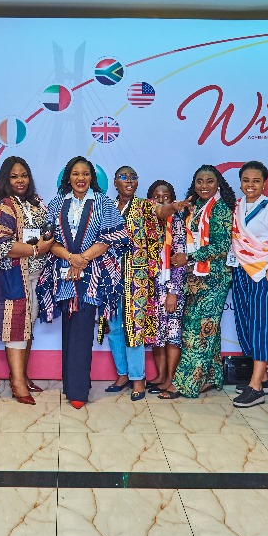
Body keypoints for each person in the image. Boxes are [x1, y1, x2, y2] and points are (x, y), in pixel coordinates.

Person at [36, 156, 129, 408]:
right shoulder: (57, 203)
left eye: (85, 174)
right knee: (69, 331)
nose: (80, 178)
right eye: (76, 173)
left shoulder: (103, 202)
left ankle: (78, 393)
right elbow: (48, 240)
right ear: (68, 177)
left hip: (91, 276)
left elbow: (114, 237)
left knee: (82, 330)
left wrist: (82, 259)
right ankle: (72, 384)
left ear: (92, 178)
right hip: (63, 274)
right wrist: (70, 258)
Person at [0, 156, 52, 404]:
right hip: (13, 277)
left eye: (23, 175)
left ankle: (22, 375)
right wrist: (36, 250)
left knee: (27, 327)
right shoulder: (2, 207)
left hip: (34, 277)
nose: (20, 180)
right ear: (6, 179)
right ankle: (17, 383)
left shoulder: (36, 204)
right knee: (16, 329)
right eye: (14, 176)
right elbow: (1, 247)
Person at [172, 165, 236, 398]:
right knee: (208, 330)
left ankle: (186, 384)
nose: (204, 185)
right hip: (194, 278)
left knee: (198, 332)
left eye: (210, 181)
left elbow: (222, 246)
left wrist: (188, 258)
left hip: (214, 279)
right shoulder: (195, 206)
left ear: (218, 184)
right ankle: (211, 378)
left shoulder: (221, 209)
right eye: (200, 181)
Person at [230, 161, 268, 408]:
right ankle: (263, 378)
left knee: (260, 327)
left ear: (264, 183)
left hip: (263, 274)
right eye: (246, 180)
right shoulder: (238, 206)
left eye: (256, 181)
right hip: (241, 272)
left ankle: (255, 387)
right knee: (245, 325)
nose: (250, 185)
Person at [101, 165, 160, 401]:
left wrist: (149, 274)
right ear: (115, 182)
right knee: (114, 328)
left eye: (133, 177)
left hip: (137, 279)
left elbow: (159, 221)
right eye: (123, 177)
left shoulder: (145, 207)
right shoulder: (107, 207)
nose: (129, 180)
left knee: (133, 329)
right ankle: (122, 374)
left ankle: (138, 379)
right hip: (110, 278)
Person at [146, 180, 186, 399]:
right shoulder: (147, 220)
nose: (161, 200)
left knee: (172, 335)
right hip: (152, 286)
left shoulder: (177, 221)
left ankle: (171, 378)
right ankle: (160, 375)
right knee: (156, 334)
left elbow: (179, 260)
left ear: (172, 199)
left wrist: (173, 292)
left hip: (170, 287)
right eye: (156, 196)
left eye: (166, 197)